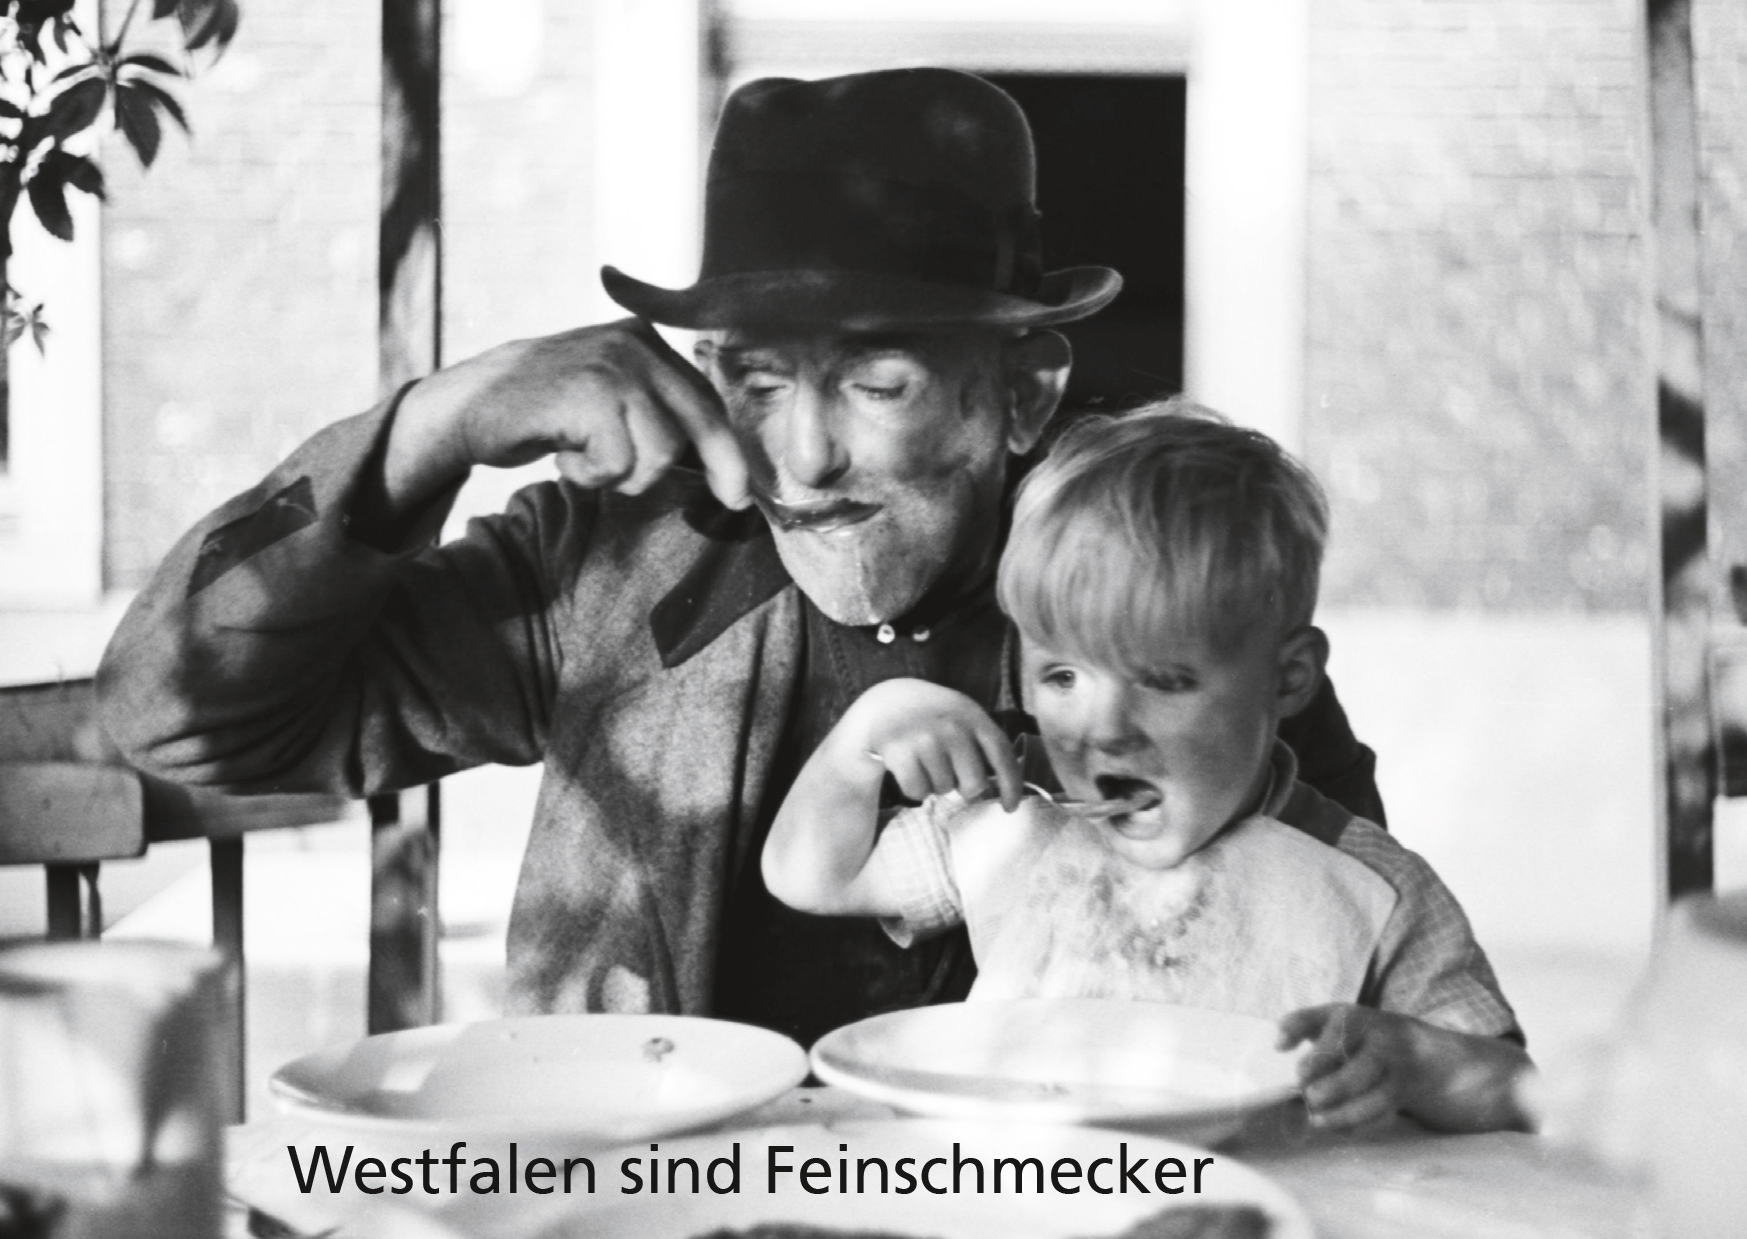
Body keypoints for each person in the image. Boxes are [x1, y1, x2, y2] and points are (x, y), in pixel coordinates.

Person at [97, 68, 1385, 1047]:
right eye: (757, 382)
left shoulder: (1159, 600)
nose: (801, 459)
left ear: (1022, 393)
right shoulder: (606, 570)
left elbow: (1346, 952)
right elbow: (174, 720)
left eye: (877, 382)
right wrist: (433, 430)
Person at [762, 405, 1530, 1132]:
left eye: (1162, 681)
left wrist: (1416, 1064)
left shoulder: (1374, 886)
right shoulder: (1016, 822)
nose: (1103, 730)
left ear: (1288, 677)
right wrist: (859, 741)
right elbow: (814, 878)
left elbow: (1517, 1091)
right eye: (1061, 676)